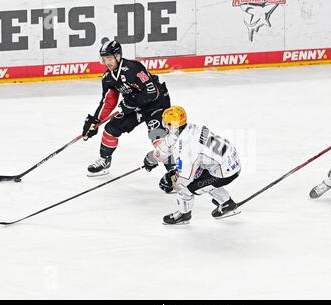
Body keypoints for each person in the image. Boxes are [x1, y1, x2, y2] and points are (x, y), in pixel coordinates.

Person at [82, 39, 173, 176]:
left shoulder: (134, 68)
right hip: (134, 107)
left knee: (158, 138)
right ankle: (105, 161)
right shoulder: (108, 77)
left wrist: (132, 102)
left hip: (156, 105)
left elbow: (153, 92)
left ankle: (175, 172)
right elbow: (109, 102)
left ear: (118, 56)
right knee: (110, 129)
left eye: (109, 58)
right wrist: (96, 121)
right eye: (104, 59)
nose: (107, 62)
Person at [143, 106, 242, 224]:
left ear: (170, 125)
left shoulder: (185, 147)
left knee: (186, 189)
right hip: (227, 160)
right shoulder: (191, 127)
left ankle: (183, 215)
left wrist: (173, 182)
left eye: (166, 122)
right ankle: (226, 203)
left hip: (225, 172)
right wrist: (153, 158)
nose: (164, 124)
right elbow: (170, 142)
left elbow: (184, 178)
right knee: (202, 179)